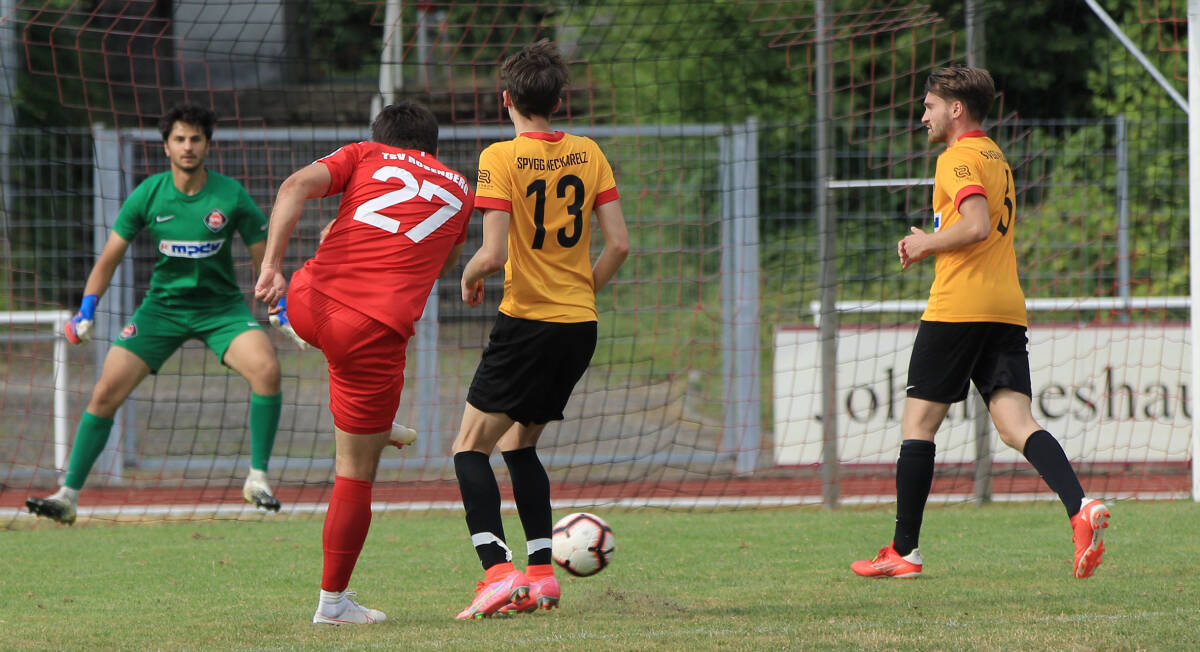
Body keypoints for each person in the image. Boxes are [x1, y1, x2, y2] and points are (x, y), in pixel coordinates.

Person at [850, 66, 1110, 580]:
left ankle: (905, 551)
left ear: (956, 109)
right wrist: (938, 234)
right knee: (1017, 424)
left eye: (929, 105)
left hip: (958, 308)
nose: (922, 115)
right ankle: (1080, 507)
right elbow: (977, 225)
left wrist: (925, 242)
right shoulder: (995, 156)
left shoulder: (957, 157)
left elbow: (975, 225)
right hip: (1006, 307)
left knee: (918, 426)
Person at [254, 101, 474, 625]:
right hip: (371, 334)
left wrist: (271, 268)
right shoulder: (462, 190)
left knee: (336, 232)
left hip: (308, 300)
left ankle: (293, 324)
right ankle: (333, 605)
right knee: (354, 474)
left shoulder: (364, 154)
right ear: (433, 148)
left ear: (381, 138)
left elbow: (291, 188)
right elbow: (442, 262)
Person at [26, 104, 284, 524]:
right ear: (166, 146)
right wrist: (86, 307)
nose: (188, 146)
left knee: (268, 371)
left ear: (206, 145)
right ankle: (67, 495)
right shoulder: (148, 194)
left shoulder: (230, 195)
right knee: (105, 391)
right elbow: (109, 257)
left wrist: (279, 304)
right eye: (179, 139)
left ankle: (258, 479)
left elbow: (266, 261)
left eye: (195, 138)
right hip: (161, 310)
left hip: (221, 310)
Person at [451, 40, 630, 620]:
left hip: (526, 321)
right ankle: (540, 577)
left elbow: (493, 250)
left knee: (468, 449)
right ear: (559, 100)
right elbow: (620, 245)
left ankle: (497, 573)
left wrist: (469, 274)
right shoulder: (589, 151)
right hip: (579, 325)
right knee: (518, 444)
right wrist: (578, 292)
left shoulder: (500, 157)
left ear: (507, 99)